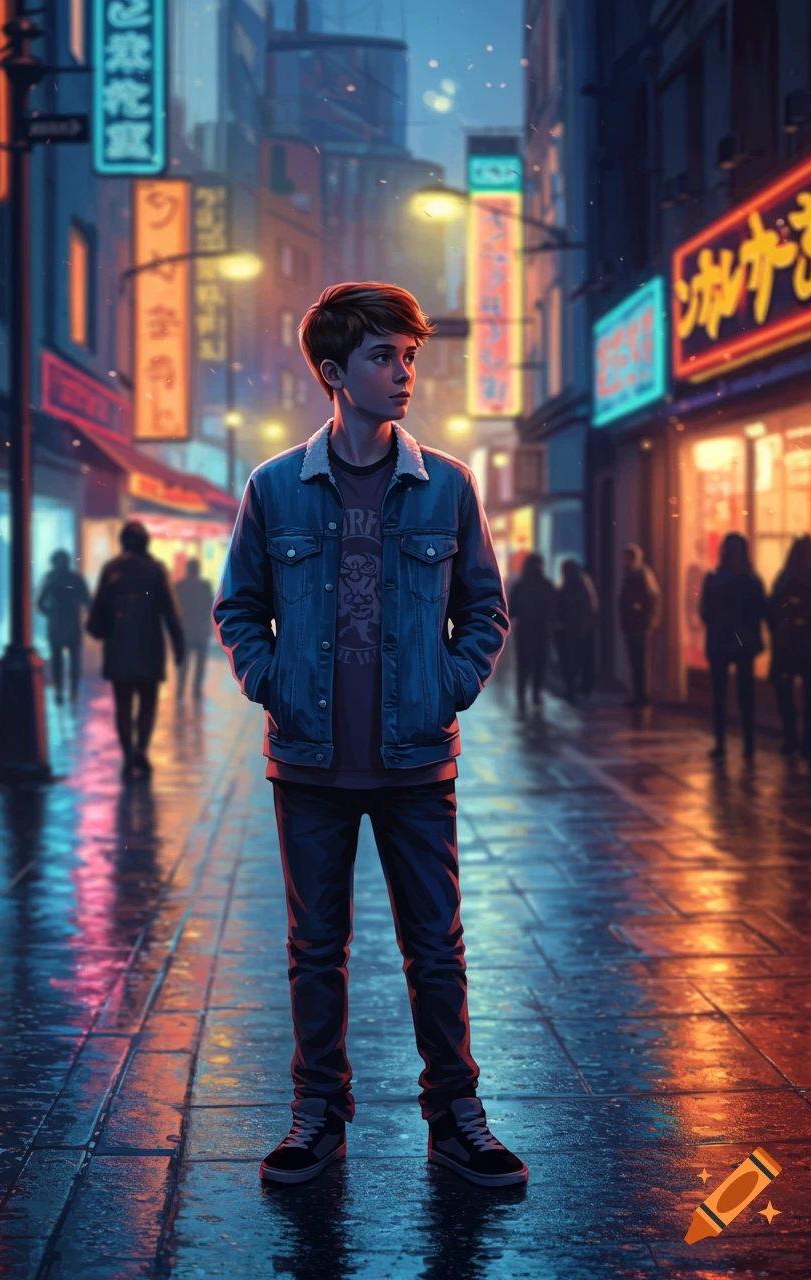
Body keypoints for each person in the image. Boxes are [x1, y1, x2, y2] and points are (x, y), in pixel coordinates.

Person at [214, 281, 528, 1189]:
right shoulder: (274, 488)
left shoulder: (447, 488)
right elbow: (239, 606)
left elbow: (484, 610)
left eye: (410, 357)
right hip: (308, 760)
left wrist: (448, 688)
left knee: (436, 947)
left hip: (415, 760)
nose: (404, 375)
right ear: (333, 372)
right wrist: (272, 683)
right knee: (316, 950)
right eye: (384, 357)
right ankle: (318, 1114)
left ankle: (457, 1115)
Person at [86, 521, 184, 781]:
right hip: (149, 647)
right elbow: (170, 612)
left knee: (122, 704)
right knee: (147, 703)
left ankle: (128, 755)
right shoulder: (156, 570)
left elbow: (99, 611)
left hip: (118, 647)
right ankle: (141, 749)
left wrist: (101, 630)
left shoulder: (111, 569)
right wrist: (178, 645)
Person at [699, 532, 767, 761]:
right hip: (743, 644)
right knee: (745, 695)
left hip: (719, 643)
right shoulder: (751, 579)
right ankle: (748, 745)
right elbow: (761, 611)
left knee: (719, 697)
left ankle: (721, 743)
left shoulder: (714, 578)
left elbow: (705, 612)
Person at [768, 534, 811, 759]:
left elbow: (773, 610)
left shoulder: (785, 578)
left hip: (789, 647)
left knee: (787, 692)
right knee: (810, 697)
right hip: (808, 648)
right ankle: (806, 741)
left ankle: (792, 737)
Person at [36, 549, 91, 705]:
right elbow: (87, 601)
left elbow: (39, 603)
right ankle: (73, 692)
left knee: (57, 660)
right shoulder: (76, 579)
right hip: (73, 624)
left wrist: (51, 614)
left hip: (56, 625)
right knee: (74, 660)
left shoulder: (50, 578)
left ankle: (59, 691)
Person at [507, 553, 555, 712]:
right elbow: (554, 608)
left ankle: (521, 693)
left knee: (523, 663)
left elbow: (512, 608)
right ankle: (536, 693)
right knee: (539, 663)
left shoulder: (521, 585)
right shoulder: (546, 584)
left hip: (524, 629)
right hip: (542, 629)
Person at [618, 543, 661, 707]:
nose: (624, 561)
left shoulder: (641, 573)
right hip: (633, 624)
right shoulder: (631, 573)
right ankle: (638, 694)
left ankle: (642, 695)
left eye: (627, 558)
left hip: (639, 625)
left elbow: (653, 597)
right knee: (635, 660)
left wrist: (648, 619)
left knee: (640, 660)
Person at [555, 558, 599, 704]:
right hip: (582, 630)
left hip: (570, 631)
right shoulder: (583, 583)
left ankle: (572, 690)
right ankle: (582, 687)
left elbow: (565, 607)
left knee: (570, 662)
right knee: (581, 660)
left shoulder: (569, 585)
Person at [174, 557, 214, 701]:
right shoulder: (205, 586)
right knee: (199, 665)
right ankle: (196, 691)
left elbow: (175, 609)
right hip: (201, 631)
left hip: (185, 632)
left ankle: (180, 691)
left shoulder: (179, 586)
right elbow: (210, 607)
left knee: (183, 665)